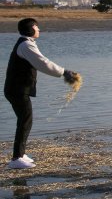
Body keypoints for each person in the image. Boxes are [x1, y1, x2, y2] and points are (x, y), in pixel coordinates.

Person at [4, 18, 79, 169]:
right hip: (17, 90)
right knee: (25, 120)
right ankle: (16, 158)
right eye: (36, 27)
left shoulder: (27, 43)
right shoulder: (25, 45)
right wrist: (64, 72)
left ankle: (20, 154)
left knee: (25, 120)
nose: (39, 30)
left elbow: (41, 63)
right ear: (30, 29)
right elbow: (43, 63)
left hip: (17, 89)